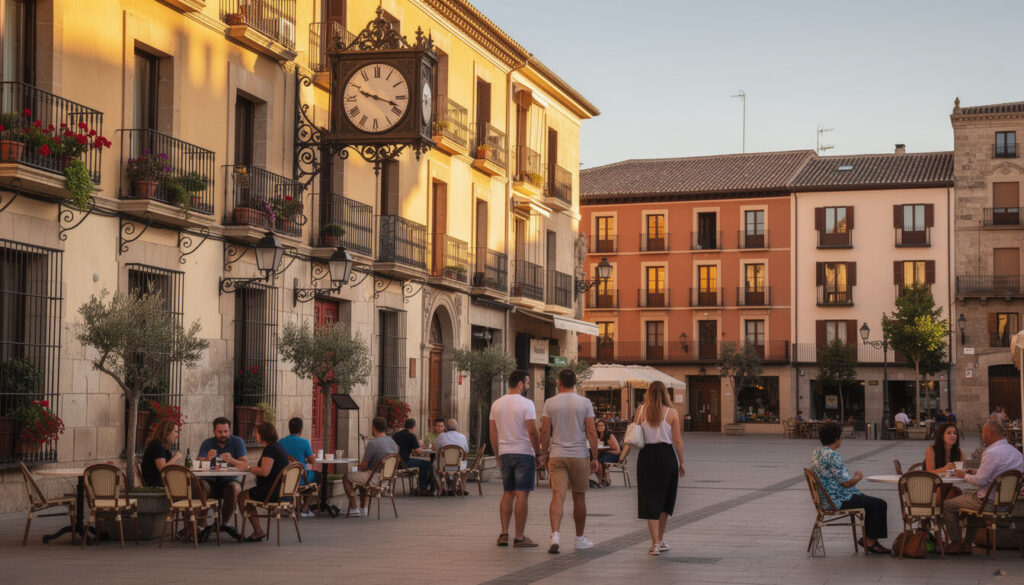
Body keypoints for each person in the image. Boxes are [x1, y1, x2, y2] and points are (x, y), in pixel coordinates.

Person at [941, 421, 1024, 554]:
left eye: (983, 432)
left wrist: (963, 475)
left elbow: (979, 481)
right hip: (1006, 504)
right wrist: (975, 471)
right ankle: (967, 544)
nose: (982, 435)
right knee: (971, 505)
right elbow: (1000, 474)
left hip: (988, 503)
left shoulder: (991, 452)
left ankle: (956, 543)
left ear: (990, 433)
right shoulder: (1016, 453)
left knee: (947, 505)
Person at [540, 368, 599, 554]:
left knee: (558, 495)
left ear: (559, 382)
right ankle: (579, 538)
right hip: (579, 454)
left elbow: (544, 431)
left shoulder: (550, 402)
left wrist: (544, 454)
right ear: (576, 382)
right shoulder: (585, 402)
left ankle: (555, 535)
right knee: (579, 496)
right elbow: (591, 431)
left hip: (557, 454)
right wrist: (595, 457)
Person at [810, 421, 890, 554]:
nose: (841, 440)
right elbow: (846, 483)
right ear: (836, 438)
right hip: (837, 500)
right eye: (841, 437)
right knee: (879, 504)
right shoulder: (832, 455)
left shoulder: (817, 452)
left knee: (869, 501)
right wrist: (858, 477)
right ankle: (870, 542)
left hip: (825, 499)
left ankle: (869, 539)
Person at [490, 369, 541, 548]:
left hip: (504, 452)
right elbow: (532, 431)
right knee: (521, 494)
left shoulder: (496, 404)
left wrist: (497, 454)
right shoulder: (527, 404)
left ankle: (504, 533)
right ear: (520, 383)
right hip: (524, 452)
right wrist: (538, 453)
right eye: (527, 383)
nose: (527, 386)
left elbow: (492, 432)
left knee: (508, 492)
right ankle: (519, 537)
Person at [634, 382, 685, 556]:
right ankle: (660, 540)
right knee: (665, 500)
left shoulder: (641, 411)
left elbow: (635, 434)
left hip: (646, 457)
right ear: (665, 394)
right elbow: (677, 440)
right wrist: (682, 462)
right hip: (666, 457)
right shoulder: (672, 413)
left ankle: (655, 543)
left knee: (649, 499)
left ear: (648, 393)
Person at [238, 422, 290, 542]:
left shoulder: (270, 449)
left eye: (257, 433)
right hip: (283, 493)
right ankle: (258, 531)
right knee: (244, 495)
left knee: (242, 496)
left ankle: (258, 531)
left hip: (272, 492)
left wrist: (249, 468)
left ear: (262, 435)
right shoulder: (278, 447)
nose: (256, 435)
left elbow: (264, 471)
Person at [342, 416, 398, 517]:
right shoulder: (392, 442)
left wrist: (358, 466)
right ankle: (363, 508)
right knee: (364, 476)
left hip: (374, 477)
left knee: (346, 477)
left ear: (373, 428)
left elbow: (363, 466)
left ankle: (354, 508)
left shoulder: (373, 443)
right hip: (387, 478)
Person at [197, 417, 248, 521]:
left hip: (231, 480)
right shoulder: (207, 443)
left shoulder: (238, 442)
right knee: (200, 485)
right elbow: (198, 463)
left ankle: (223, 524)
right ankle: (201, 524)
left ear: (229, 430)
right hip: (210, 482)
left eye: (226, 431)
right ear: (214, 431)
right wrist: (207, 459)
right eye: (220, 432)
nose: (224, 435)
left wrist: (232, 460)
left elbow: (245, 464)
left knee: (232, 489)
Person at [278, 417, 318, 517]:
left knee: (309, 475)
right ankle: (305, 507)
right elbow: (312, 461)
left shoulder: (281, 442)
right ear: (301, 429)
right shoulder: (304, 442)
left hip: (285, 479)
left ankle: (298, 505)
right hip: (300, 479)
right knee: (318, 477)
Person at [924, 422, 964, 504]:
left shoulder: (960, 453)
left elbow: (960, 473)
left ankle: (942, 514)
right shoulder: (931, 450)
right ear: (941, 436)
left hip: (947, 486)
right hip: (930, 486)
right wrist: (944, 469)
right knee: (940, 491)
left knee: (957, 491)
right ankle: (940, 513)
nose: (953, 435)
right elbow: (928, 473)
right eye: (949, 433)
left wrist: (963, 472)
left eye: (955, 433)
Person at [393, 418, 432, 494]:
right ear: (414, 426)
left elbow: (404, 447)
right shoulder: (411, 436)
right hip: (404, 462)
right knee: (426, 464)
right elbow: (419, 452)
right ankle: (422, 487)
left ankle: (421, 485)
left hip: (395, 462)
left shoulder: (396, 435)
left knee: (423, 463)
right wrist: (421, 447)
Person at [141, 419, 183, 487]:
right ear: (166, 432)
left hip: (162, 483)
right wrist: (175, 457)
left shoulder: (160, 445)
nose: (177, 435)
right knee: (192, 485)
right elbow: (163, 469)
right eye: (175, 432)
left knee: (195, 484)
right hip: (157, 485)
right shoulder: (157, 446)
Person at [594, 419, 621, 487]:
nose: (600, 427)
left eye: (602, 425)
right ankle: (604, 479)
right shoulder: (598, 435)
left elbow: (618, 451)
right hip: (606, 454)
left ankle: (601, 481)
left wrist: (605, 451)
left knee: (598, 461)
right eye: (598, 426)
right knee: (594, 459)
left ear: (605, 427)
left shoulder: (609, 436)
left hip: (614, 455)